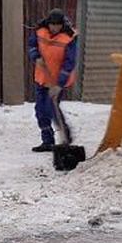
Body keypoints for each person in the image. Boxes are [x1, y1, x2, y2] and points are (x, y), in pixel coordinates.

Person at [26, 9, 78, 152]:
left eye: (57, 25)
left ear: (62, 25)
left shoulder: (69, 38)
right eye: (52, 24)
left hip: (57, 81)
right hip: (42, 78)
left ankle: (66, 135)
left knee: (51, 107)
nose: (54, 28)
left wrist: (59, 85)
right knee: (40, 111)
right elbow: (32, 45)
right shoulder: (40, 31)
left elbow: (69, 63)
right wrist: (36, 56)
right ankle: (47, 140)